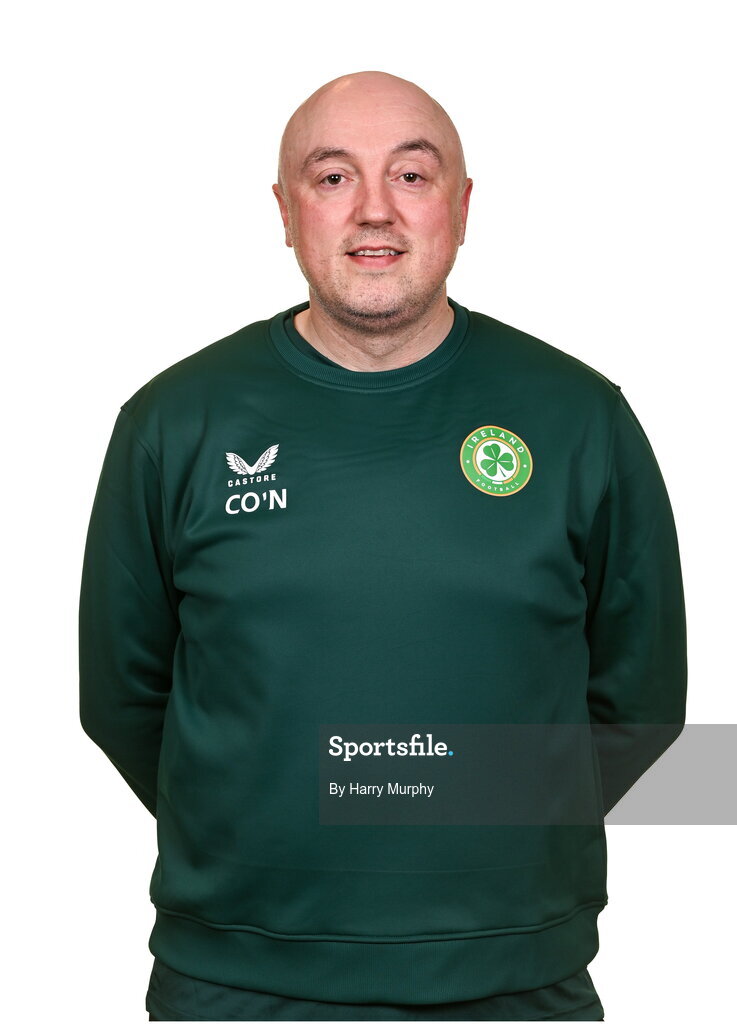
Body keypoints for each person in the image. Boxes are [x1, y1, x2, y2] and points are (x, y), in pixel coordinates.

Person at [78, 71, 687, 1022]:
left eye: (410, 175)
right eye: (331, 179)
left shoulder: (577, 420)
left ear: (461, 205)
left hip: (510, 982)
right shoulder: (173, 423)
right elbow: (122, 699)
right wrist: (263, 817)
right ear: (284, 211)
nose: (373, 211)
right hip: (236, 987)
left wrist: (472, 829)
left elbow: (638, 701)